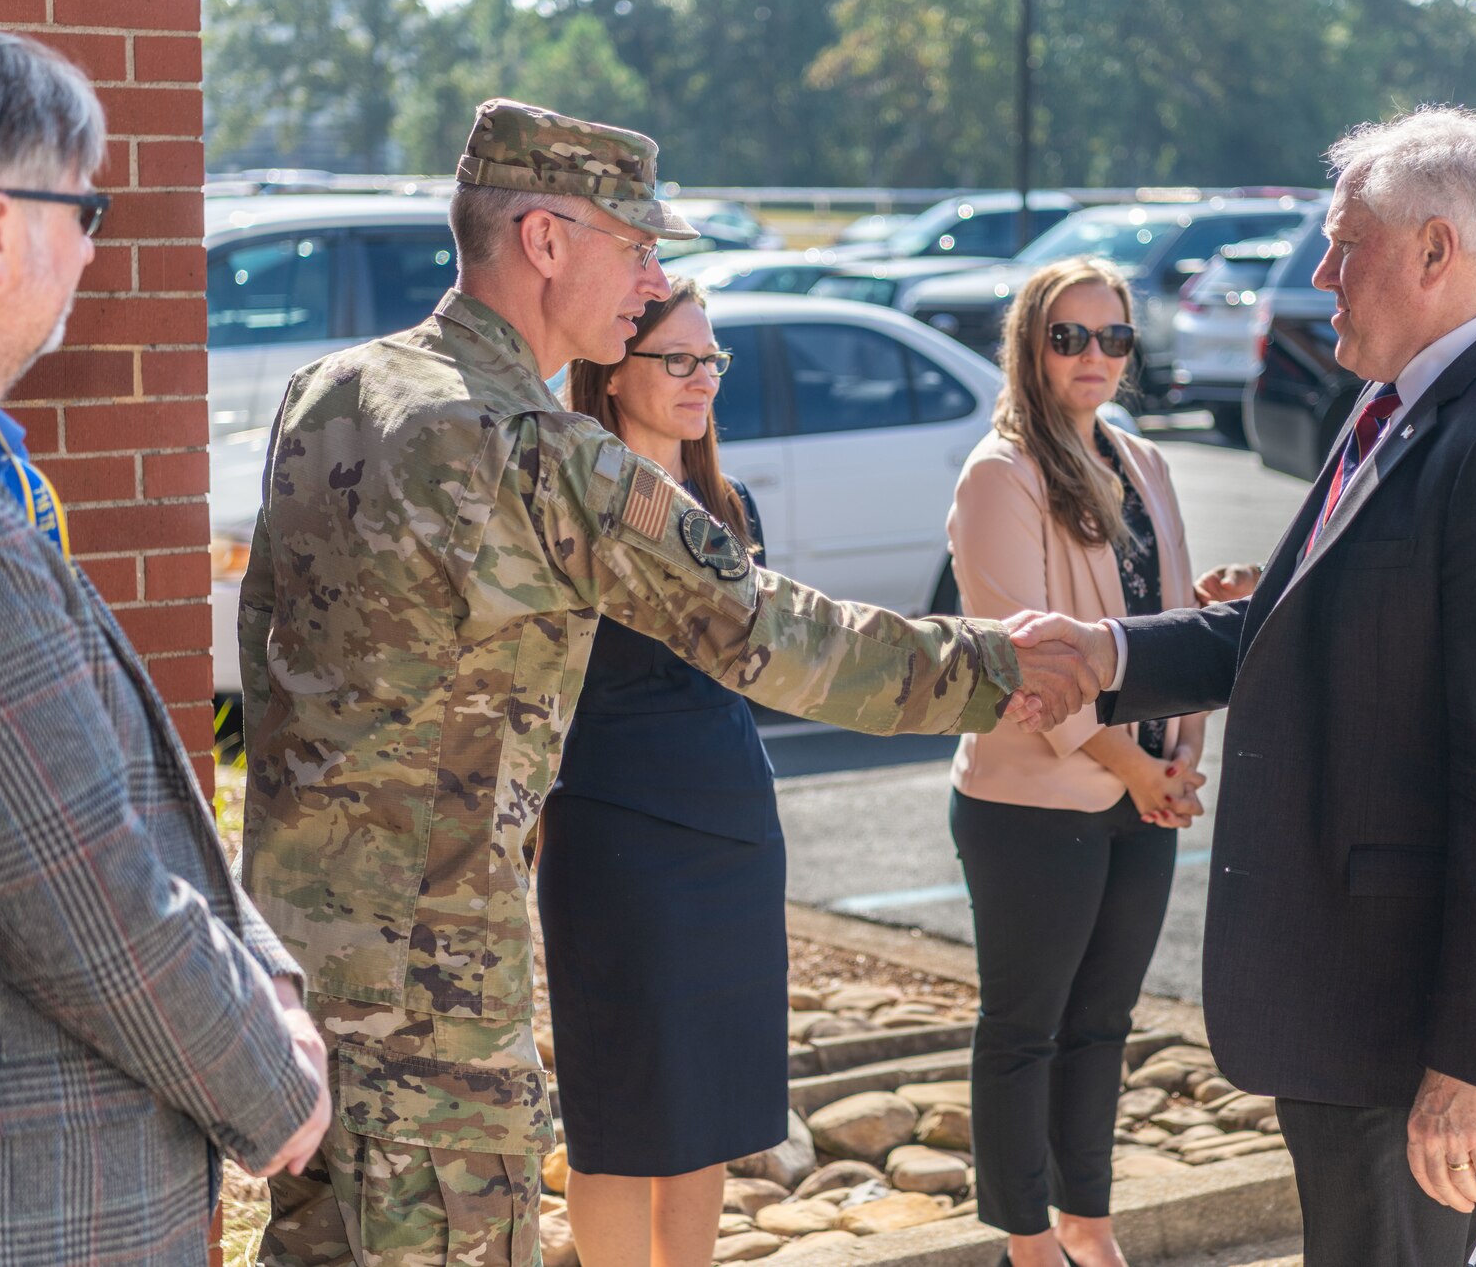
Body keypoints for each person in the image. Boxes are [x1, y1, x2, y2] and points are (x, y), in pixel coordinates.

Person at [239, 98, 1097, 1267]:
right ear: (543, 239)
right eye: (635, 246)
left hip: (301, 966)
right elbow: (773, 634)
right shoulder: (533, 448)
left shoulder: (330, 392)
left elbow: (267, 661)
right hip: (432, 988)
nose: (651, 280)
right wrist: (1001, 665)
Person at [1011, 107, 1476, 1267]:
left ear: (1434, 252)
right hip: (1350, 1000)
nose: (1320, 275)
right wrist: (1111, 654)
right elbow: (1297, 622)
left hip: (1407, 1022)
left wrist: (1468, 1061)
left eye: (1345, 244)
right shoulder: (1403, 395)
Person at [0, 18, 328, 1265]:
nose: (92, 251)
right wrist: (277, 1080)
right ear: (1, 228)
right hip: (37, 1201)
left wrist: (258, 967)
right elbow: (82, 884)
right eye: (85, 209)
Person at [946, 259, 1208, 1267]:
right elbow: (1023, 664)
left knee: (1102, 1023)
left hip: (1141, 790)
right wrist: (1132, 767)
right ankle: (1026, 1240)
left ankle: (1089, 1230)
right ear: (1030, 347)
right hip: (1032, 799)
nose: (1092, 356)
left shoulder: (1144, 461)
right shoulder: (998, 474)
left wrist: (1180, 749)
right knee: (1026, 1026)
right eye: (1069, 337)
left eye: (1112, 338)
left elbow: (1174, 621)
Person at [536, 278, 780, 1267]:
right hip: (613, 839)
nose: (699, 378)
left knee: (710, 1104)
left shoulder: (728, 505)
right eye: (675, 358)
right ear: (610, 368)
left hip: (731, 829)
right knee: (622, 1104)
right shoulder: (575, 500)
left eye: (709, 358)